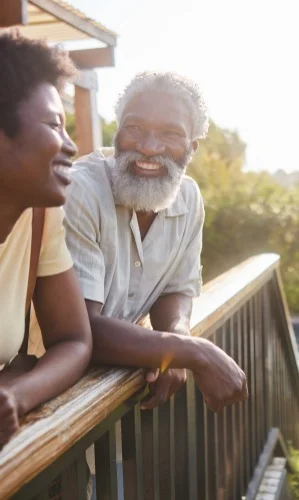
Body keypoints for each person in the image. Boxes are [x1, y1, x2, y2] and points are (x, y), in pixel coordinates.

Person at [65, 71, 248, 412]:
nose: (149, 147)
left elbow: (175, 288)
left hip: (110, 398)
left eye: (170, 133)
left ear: (192, 147)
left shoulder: (189, 198)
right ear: (117, 132)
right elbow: (78, 327)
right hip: (45, 403)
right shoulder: (80, 191)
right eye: (134, 128)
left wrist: (176, 337)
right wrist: (189, 351)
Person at [0, 29, 92, 447]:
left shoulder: (40, 217)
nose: (70, 145)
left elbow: (74, 340)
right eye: (55, 125)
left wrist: (17, 395)